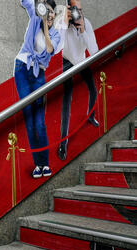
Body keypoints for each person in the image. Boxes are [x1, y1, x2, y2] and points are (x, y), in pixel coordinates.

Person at [14, 0, 61, 178]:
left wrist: (46, 27)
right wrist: (38, 7)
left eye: (52, 13)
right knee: (29, 120)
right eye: (47, 11)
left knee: (39, 122)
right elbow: (26, 2)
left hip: (39, 74)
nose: (49, 15)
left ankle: (45, 164)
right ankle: (37, 165)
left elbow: (49, 49)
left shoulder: (55, 34)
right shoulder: (35, 17)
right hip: (22, 69)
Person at [57, 0, 99, 161]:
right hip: (67, 60)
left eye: (80, 9)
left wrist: (82, 30)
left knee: (93, 90)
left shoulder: (86, 22)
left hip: (81, 60)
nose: (78, 12)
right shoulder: (63, 23)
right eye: (74, 9)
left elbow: (94, 51)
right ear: (68, 8)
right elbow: (57, 48)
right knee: (67, 100)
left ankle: (90, 116)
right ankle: (63, 143)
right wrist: (64, 23)